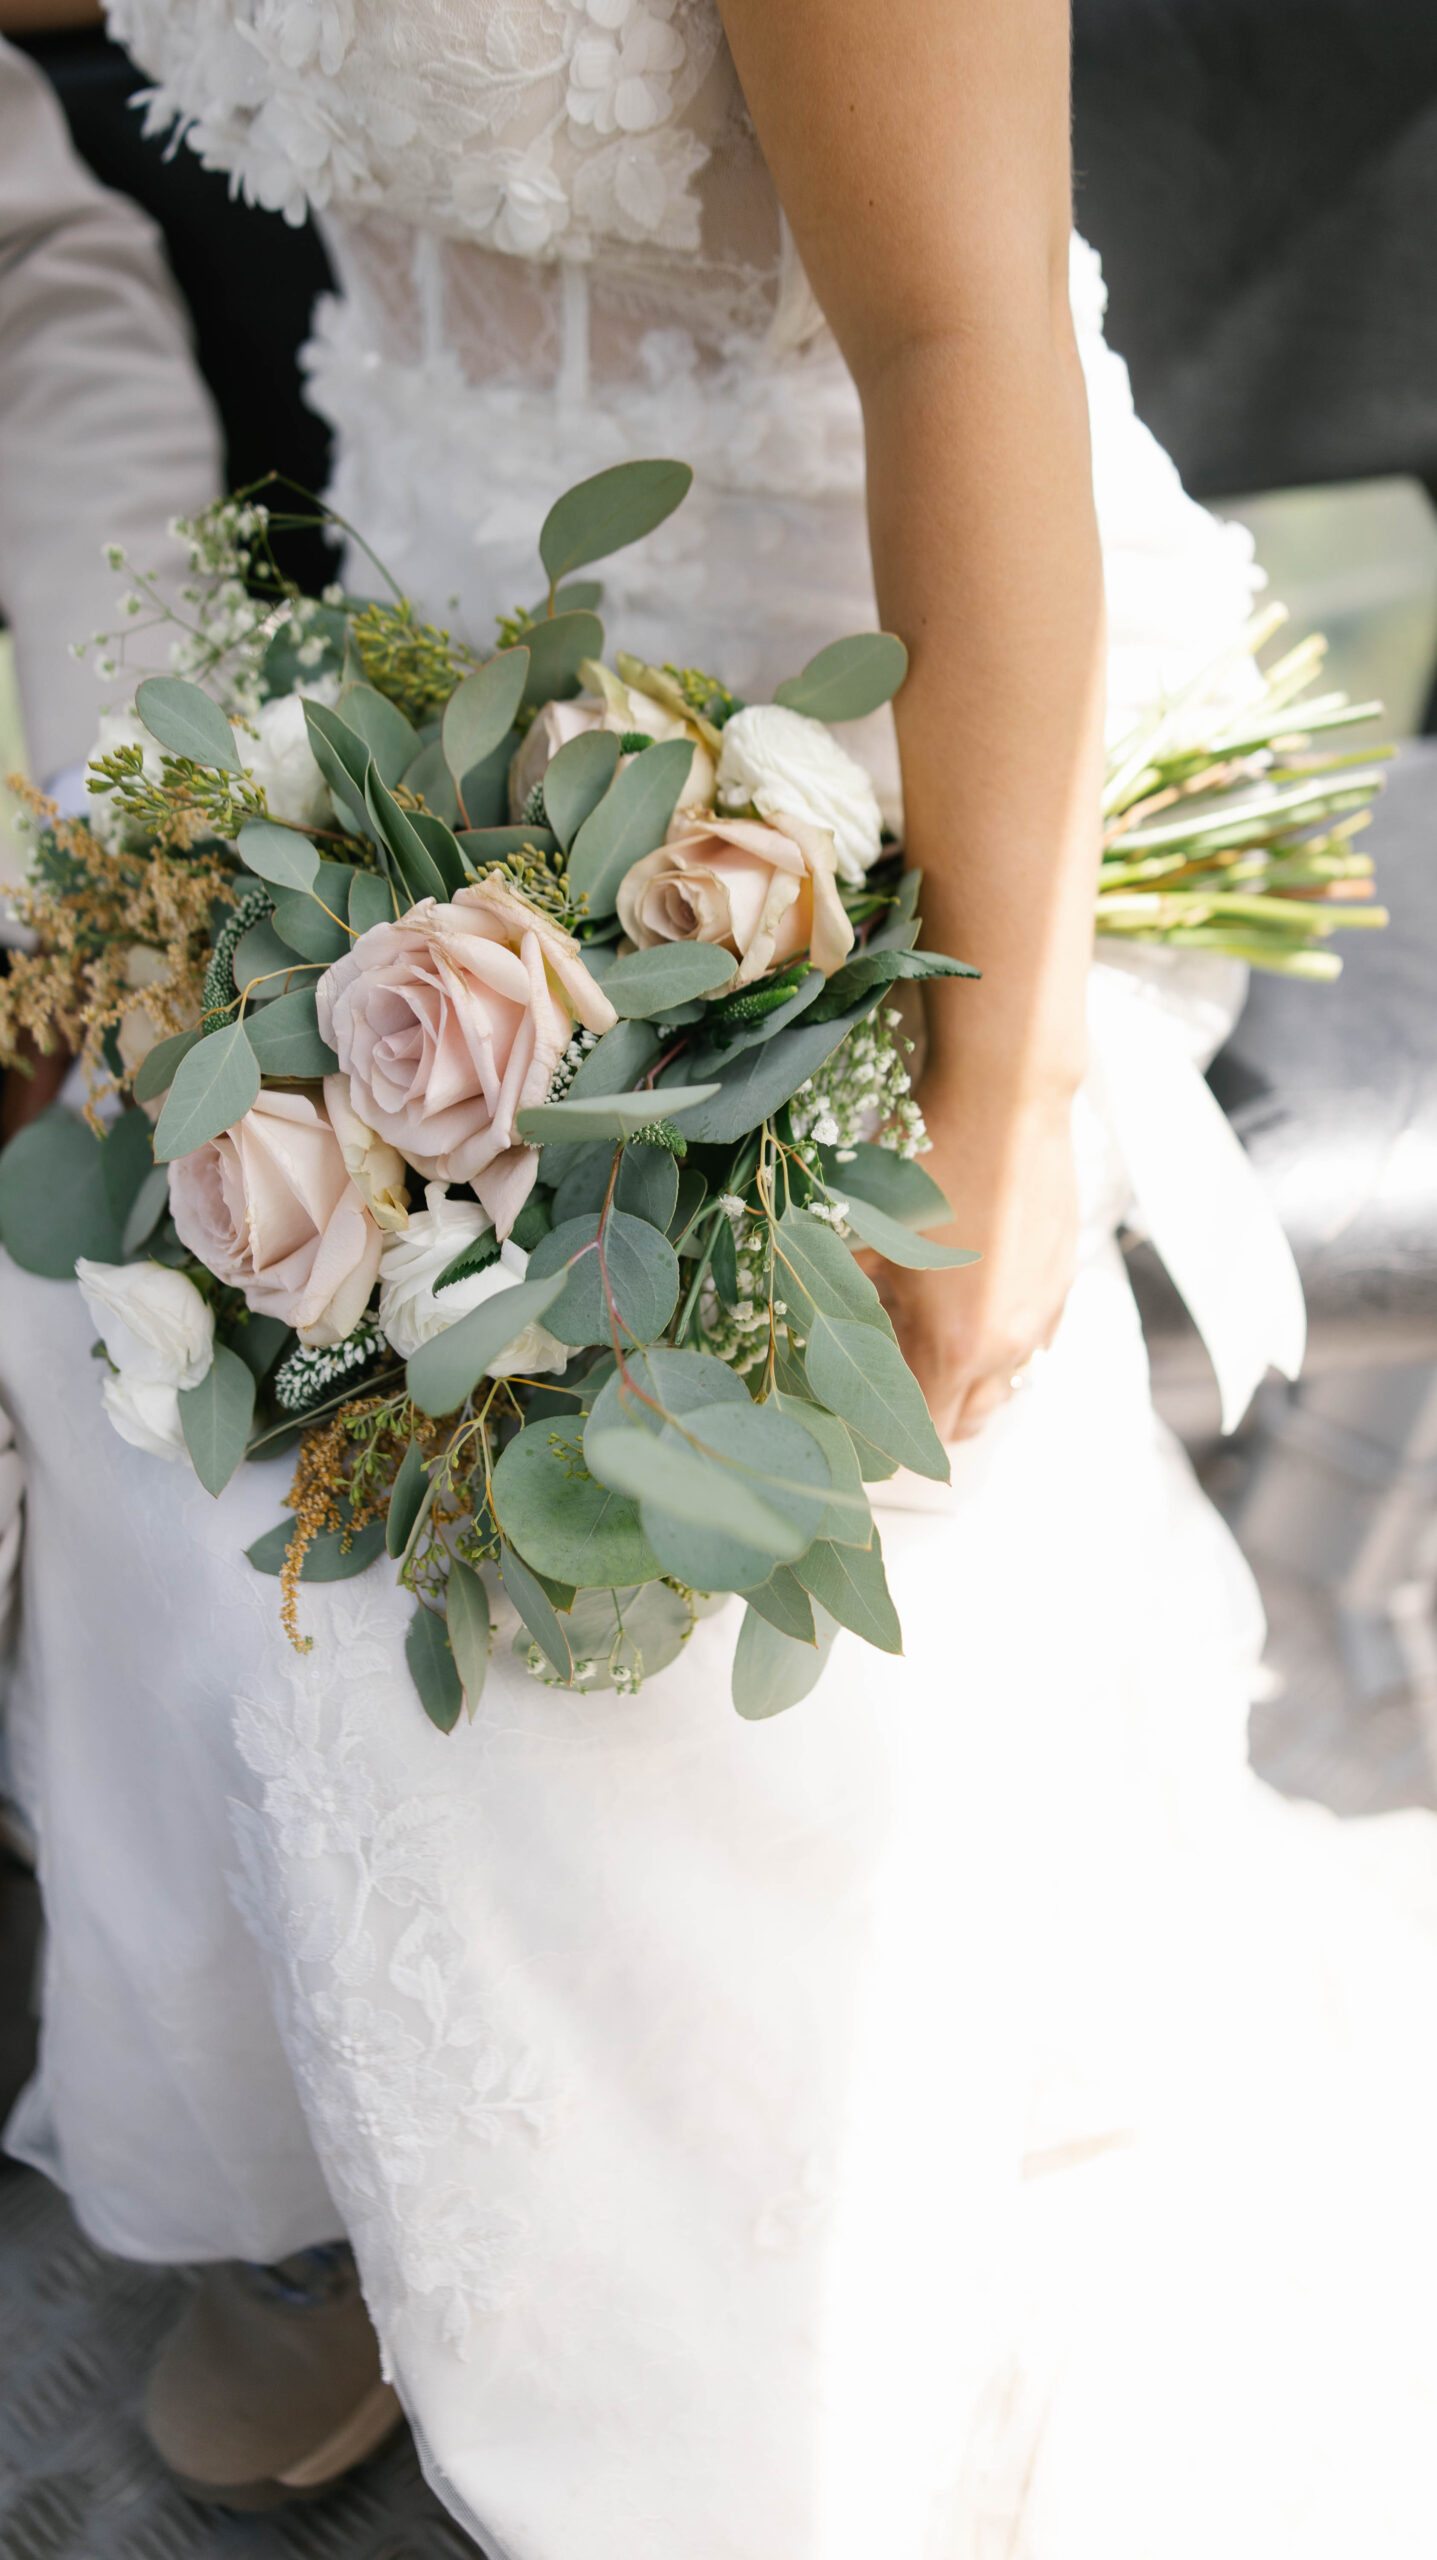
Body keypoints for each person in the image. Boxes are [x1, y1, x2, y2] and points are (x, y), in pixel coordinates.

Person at [4, 1, 1437, 2548]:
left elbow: (951, 336)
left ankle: (698, 2355)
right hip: (436, 669)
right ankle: (350, 2160)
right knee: (145, 1343)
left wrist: (984, 1120)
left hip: (887, 705)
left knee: (649, 1532)